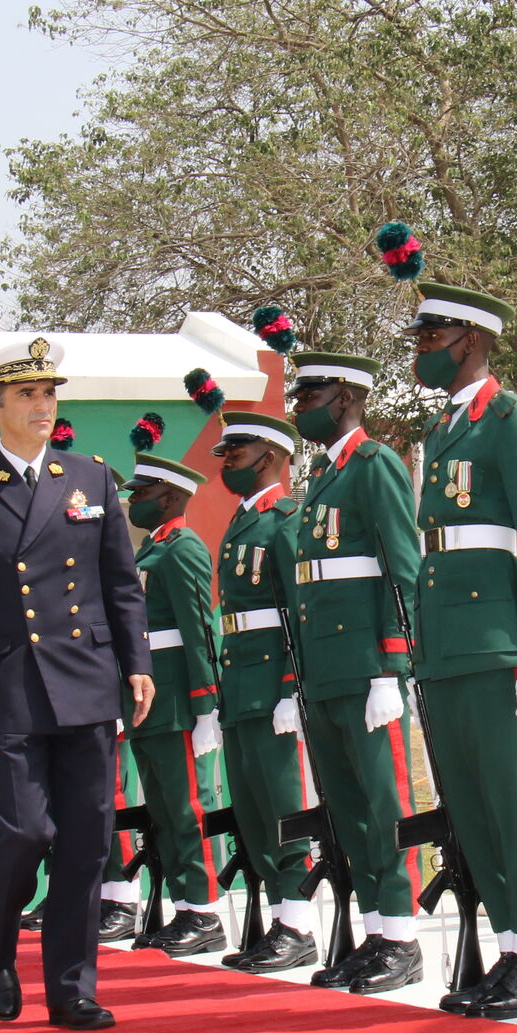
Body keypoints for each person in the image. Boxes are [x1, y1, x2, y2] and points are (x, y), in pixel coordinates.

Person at [0, 337, 154, 1031]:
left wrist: (136, 660)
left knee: (86, 837)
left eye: (49, 393)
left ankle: (72, 988)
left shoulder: (90, 478)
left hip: (85, 681)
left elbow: (119, 583)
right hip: (5, 685)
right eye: (26, 394)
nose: (42, 405)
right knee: (23, 828)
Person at [403, 283, 517, 1019]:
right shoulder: (442, 431)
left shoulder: (510, 420)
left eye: (429, 338)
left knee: (509, 801)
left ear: (469, 340)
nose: (419, 352)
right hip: (448, 644)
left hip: (498, 639)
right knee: (469, 804)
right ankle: (512, 947)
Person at [285, 351, 425, 994]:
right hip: (326, 668)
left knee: (384, 803)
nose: (300, 403)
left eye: (311, 392)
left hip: (367, 664)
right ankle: (376, 931)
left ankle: (402, 935)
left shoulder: (374, 466)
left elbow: (402, 569)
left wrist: (393, 666)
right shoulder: (323, 474)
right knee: (348, 809)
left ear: (345, 395)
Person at [209, 410, 320, 973]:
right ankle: (281, 917)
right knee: (252, 811)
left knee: (282, 808)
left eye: (237, 452)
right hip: (239, 684)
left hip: (271, 680)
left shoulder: (284, 519)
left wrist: (289, 689)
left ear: (273, 456)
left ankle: (298, 924)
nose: (227, 462)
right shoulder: (242, 521)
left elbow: (297, 614)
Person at [119, 452, 227, 957]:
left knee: (186, 808)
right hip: (146, 702)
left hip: (177, 701)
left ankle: (203, 911)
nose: (133, 501)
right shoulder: (148, 553)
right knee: (162, 809)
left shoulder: (182, 549)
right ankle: (184, 906)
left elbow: (198, 630)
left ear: (171, 497)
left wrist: (206, 703)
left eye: (141, 493)